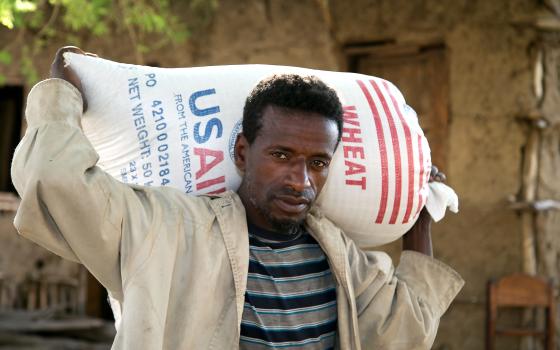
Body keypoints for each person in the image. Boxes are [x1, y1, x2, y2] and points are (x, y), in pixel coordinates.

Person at [11, 47, 464, 350]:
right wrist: (62, 94)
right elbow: (54, 180)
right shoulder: (167, 229)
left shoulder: (338, 255)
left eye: (318, 162)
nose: (300, 179)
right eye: (282, 155)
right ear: (243, 152)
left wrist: (420, 217)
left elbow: (404, 330)